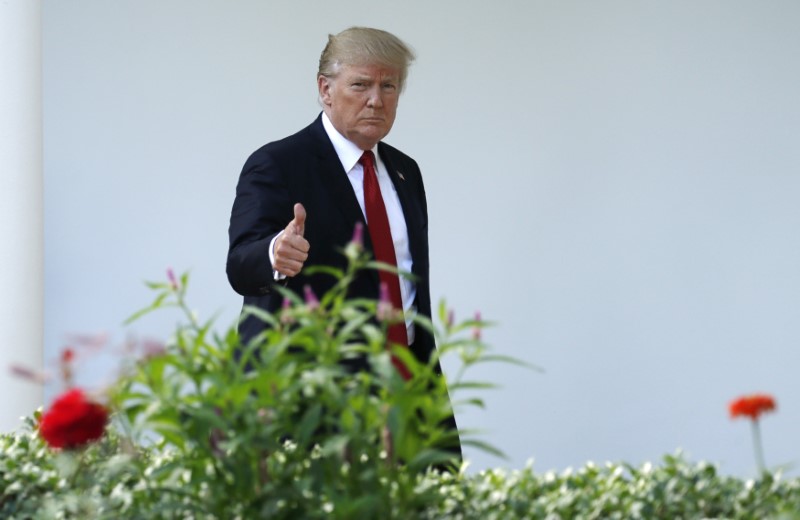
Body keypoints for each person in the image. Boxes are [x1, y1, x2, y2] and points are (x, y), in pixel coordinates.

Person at [226, 26, 460, 458]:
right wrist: (274, 254)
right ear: (325, 89)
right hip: (313, 400)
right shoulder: (279, 163)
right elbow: (241, 263)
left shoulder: (406, 172)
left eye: (388, 86)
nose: (376, 99)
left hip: (407, 386)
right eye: (361, 84)